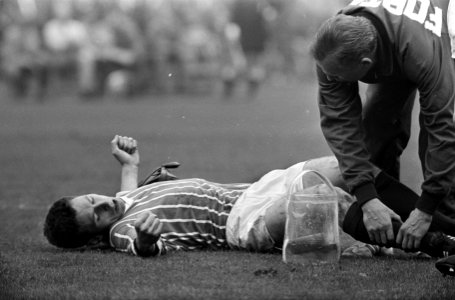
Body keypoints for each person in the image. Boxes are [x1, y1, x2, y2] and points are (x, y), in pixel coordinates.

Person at [43, 135, 455, 259]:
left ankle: (440, 224)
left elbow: (124, 192)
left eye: (92, 198)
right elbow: (140, 244)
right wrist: (149, 242)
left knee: (345, 165)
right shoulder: (121, 232)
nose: (103, 205)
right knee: (319, 194)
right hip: (242, 224)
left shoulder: (120, 200)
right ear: (96, 236)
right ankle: (433, 244)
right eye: (96, 215)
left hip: (256, 190)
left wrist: (129, 162)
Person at [309, 0, 455, 255]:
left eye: (335, 75)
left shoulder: (424, 54)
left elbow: (442, 129)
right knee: (377, 123)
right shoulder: (333, 46)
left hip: (442, 40)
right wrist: (367, 198)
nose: (329, 80)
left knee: (438, 143)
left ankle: (448, 231)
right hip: (394, 40)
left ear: (366, 63)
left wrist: (425, 209)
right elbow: (340, 124)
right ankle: (382, 228)